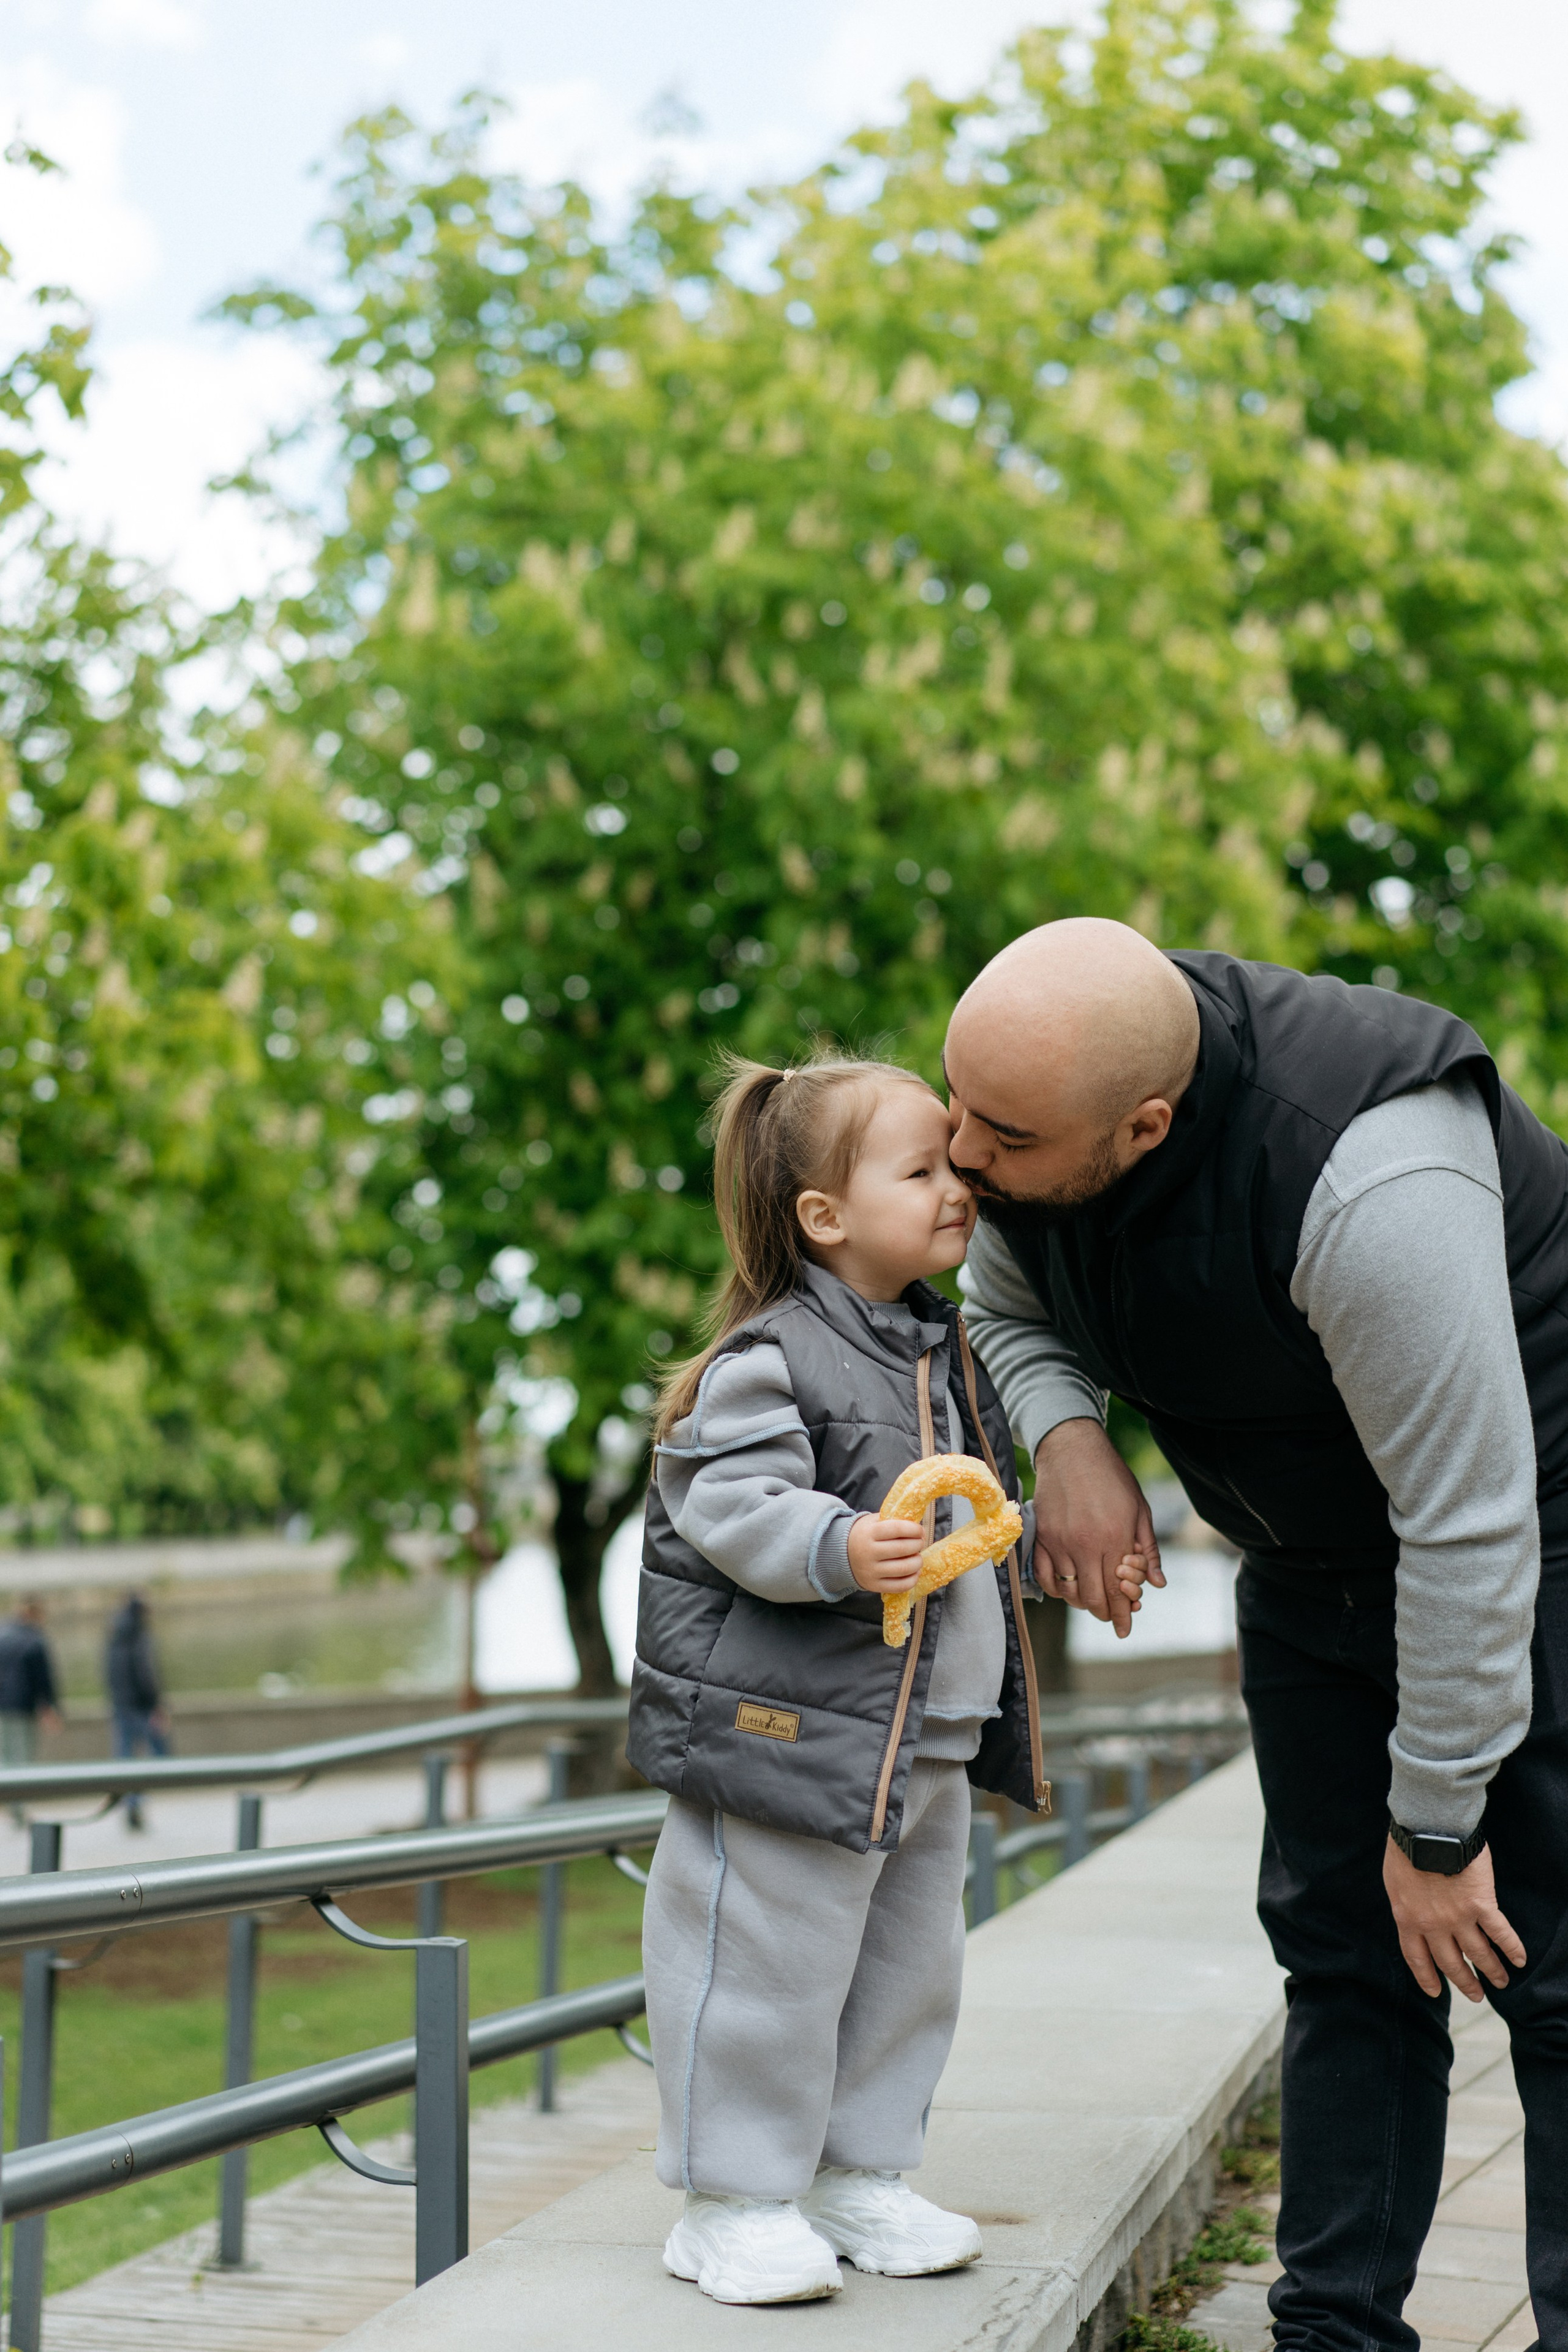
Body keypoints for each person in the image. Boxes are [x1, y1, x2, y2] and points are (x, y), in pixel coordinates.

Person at [944, 916, 1568, 2352]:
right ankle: (1329, 2333)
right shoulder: (1043, 1119)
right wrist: (1067, 1440)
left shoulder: (1369, 1179)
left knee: (1542, 1964)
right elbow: (1004, 1296)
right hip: (1303, 1562)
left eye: (1002, 1134)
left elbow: (1470, 1529)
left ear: (1146, 1123)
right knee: (1340, 1957)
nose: (958, 1154)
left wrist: (1430, 1827)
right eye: (955, 1103)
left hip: (1526, 1543)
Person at [628, 1049, 1071, 2308]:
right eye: (921, 1167)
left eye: (955, 1163)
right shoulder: (768, 1360)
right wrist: (833, 1543)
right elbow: (729, 1504)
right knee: (757, 1972)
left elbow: (962, 1535)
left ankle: (856, 2173)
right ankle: (730, 2199)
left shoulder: (944, 1355)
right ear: (822, 1216)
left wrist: (1042, 1547)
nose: (957, 1185)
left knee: (903, 1973)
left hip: (923, 1743)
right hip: (791, 1741)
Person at [105, 1593, 170, 1829]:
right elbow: (147, 1673)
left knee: (125, 1757)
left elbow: (108, 1673)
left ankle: (131, 1802)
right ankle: (137, 1800)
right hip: (141, 1706)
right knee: (158, 1753)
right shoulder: (141, 1636)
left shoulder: (114, 1635)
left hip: (121, 1705)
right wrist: (157, 1704)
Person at [0, 1596, 62, 1824]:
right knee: (22, 1757)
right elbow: (44, 1679)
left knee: (5, 1755)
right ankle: (18, 1805)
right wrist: (51, 1708)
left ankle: (10, 1801)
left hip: (3, 1706)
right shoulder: (34, 1639)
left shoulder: (3, 1633)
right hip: (22, 1706)